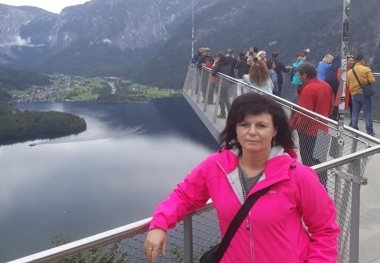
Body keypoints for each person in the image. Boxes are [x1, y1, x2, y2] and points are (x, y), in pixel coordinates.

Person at [144, 93, 340, 263]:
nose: (252, 132)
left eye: (261, 125)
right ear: (235, 129)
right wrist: (159, 224)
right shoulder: (217, 166)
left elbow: (325, 230)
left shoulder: (297, 176)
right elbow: (184, 196)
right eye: (244, 124)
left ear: (275, 131)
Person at [289, 62, 333, 184]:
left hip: (309, 133)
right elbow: (330, 107)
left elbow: (303, 115)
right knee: (321, 162)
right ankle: (322, 187)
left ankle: (312, 189)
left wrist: (292, 129)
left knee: (309, 164)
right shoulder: (326, 86)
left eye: (299, 74)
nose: (298, 77)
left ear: (304, 75)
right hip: (324, 130)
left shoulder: (308, 90)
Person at [346, 54, 376, 136]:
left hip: (354, 94)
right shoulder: (366, 69)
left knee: (355, 112)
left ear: (356, 61)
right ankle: (370, 131)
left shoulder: (349, 72)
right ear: (362, 60)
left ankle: (354, 128)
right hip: (364, 93)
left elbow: (348, 83)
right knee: (367, 112)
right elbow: (372, 80)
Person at [211, 51, 232, 118]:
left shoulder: (219, 63)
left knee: (220, 98)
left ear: (218, 57)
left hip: (220, 82)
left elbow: (213, 73)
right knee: (226, 98)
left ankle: (223, 114)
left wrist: (215, 64)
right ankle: (231, 113)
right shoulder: (228, 62)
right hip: (226, 82)